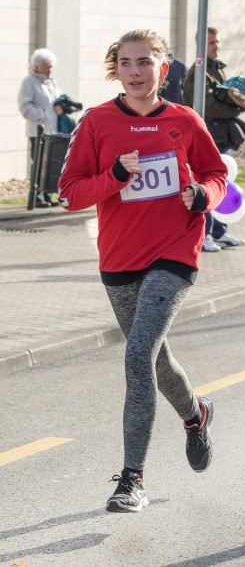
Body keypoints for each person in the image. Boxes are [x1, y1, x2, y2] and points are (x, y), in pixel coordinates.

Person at [57, 28, 227, 513]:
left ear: (162, 68)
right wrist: (114, 176)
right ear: (117, 70)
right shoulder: (97, 122)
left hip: (175, 252)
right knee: (155, 360)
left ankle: (132, 479)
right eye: (127, 63)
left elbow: (217, 174)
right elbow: (68, 194)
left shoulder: (184, 121)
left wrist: (204, 196)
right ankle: (196, 413)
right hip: (119, 259)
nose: (136, 72)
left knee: (136, 356)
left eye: (145, 62)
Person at [183, 27, 245, 252]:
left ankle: (220, 233)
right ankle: (205, 235)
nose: (217, 46)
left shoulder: (217, 70)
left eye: (218, 42)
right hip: (206, 139)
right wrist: (235, 107)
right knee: (208, 185)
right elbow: (210, 107)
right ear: (201, 45)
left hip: (221, 138)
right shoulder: (197, 74)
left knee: (224, 184)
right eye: (211, 42)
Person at [18, 48, 67, 207]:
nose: (50, 70)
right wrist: (44, 115)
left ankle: (47, 195)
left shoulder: (52, 82)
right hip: (37, 132)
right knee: (39, 164)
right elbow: (25, 107)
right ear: (37, 67)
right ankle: (37, 197)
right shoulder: (29, 82)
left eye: (51, 66)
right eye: (47, 66)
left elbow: (57, 100)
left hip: (53, 132)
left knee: (51, 164)